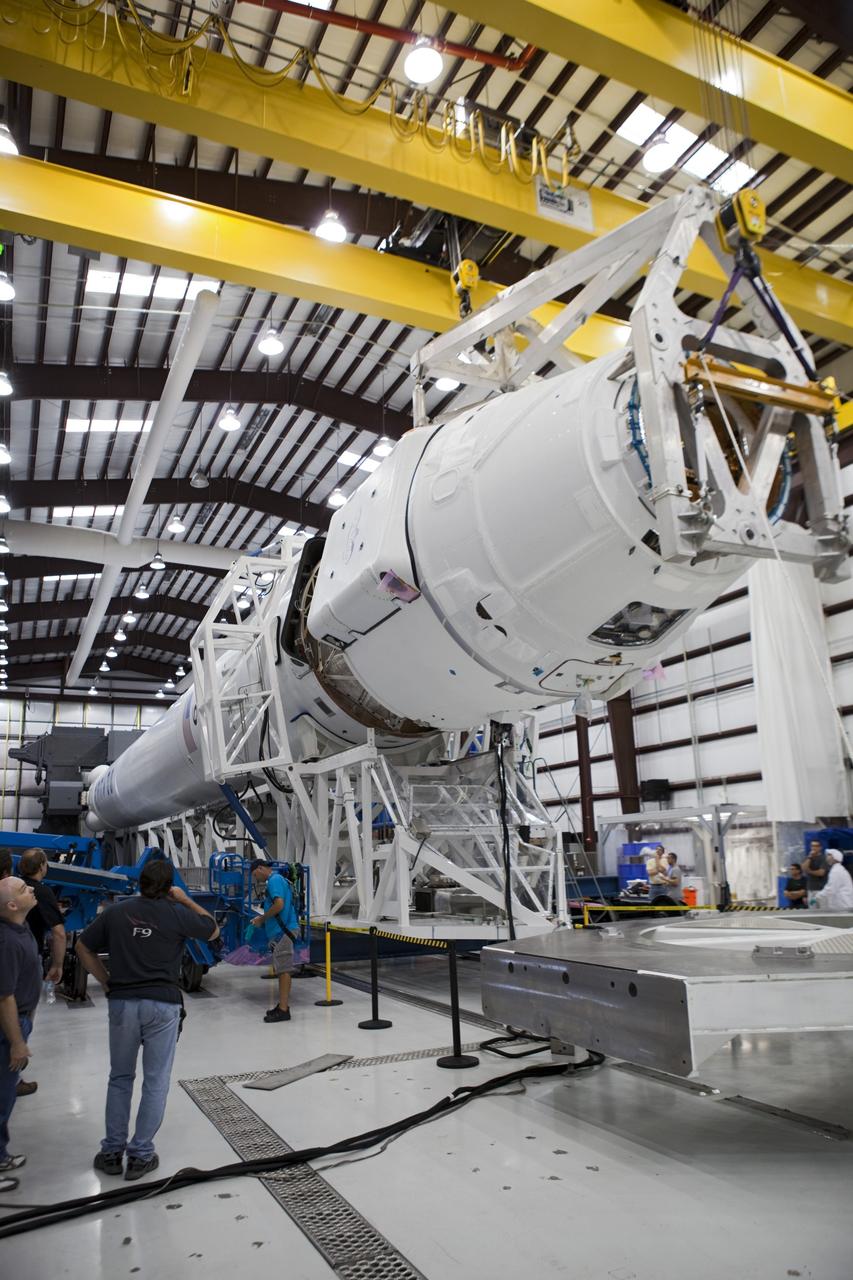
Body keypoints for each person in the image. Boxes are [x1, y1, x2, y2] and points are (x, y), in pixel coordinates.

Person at [76, 859, 219, 1181]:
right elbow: (212, 929)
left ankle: (112, 1151)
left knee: (120, 1077)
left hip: (123, 1004)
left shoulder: (114, 913)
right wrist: (184, 899)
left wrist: (106, 981)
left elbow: (83, 947)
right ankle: (140, 1155)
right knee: (155, 1081)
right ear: (169, 887)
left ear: (138, 883)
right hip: (162, 1005)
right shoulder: (177, 913)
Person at [0, 876, 40, 1193]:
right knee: (1, 1097)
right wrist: (16, 1041)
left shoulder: (19, 928)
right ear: (12, 905)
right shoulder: (7, 942)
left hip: (20, 1019)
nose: (32, 890)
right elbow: (4, 997)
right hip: (7, 1029)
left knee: (6, 1095)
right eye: (24, 890)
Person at [17, 848, 66, 1098]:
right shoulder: (41, 892)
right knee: (23, 1016)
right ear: (43, 866)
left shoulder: (9, 887)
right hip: (27, 962)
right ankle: (13, 1077)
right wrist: (57, 965)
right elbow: (58, 933)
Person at [247, 860, 300, 1024]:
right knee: (281, 968)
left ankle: (284, 1010)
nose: (256, 879)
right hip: (281, 931)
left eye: (255, 875)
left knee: (284, 969)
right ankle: (282, 1006)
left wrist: (262, 919)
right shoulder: (279, 880)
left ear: (260, 868)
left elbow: (279, 905)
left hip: (283, 931)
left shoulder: (275, 881)